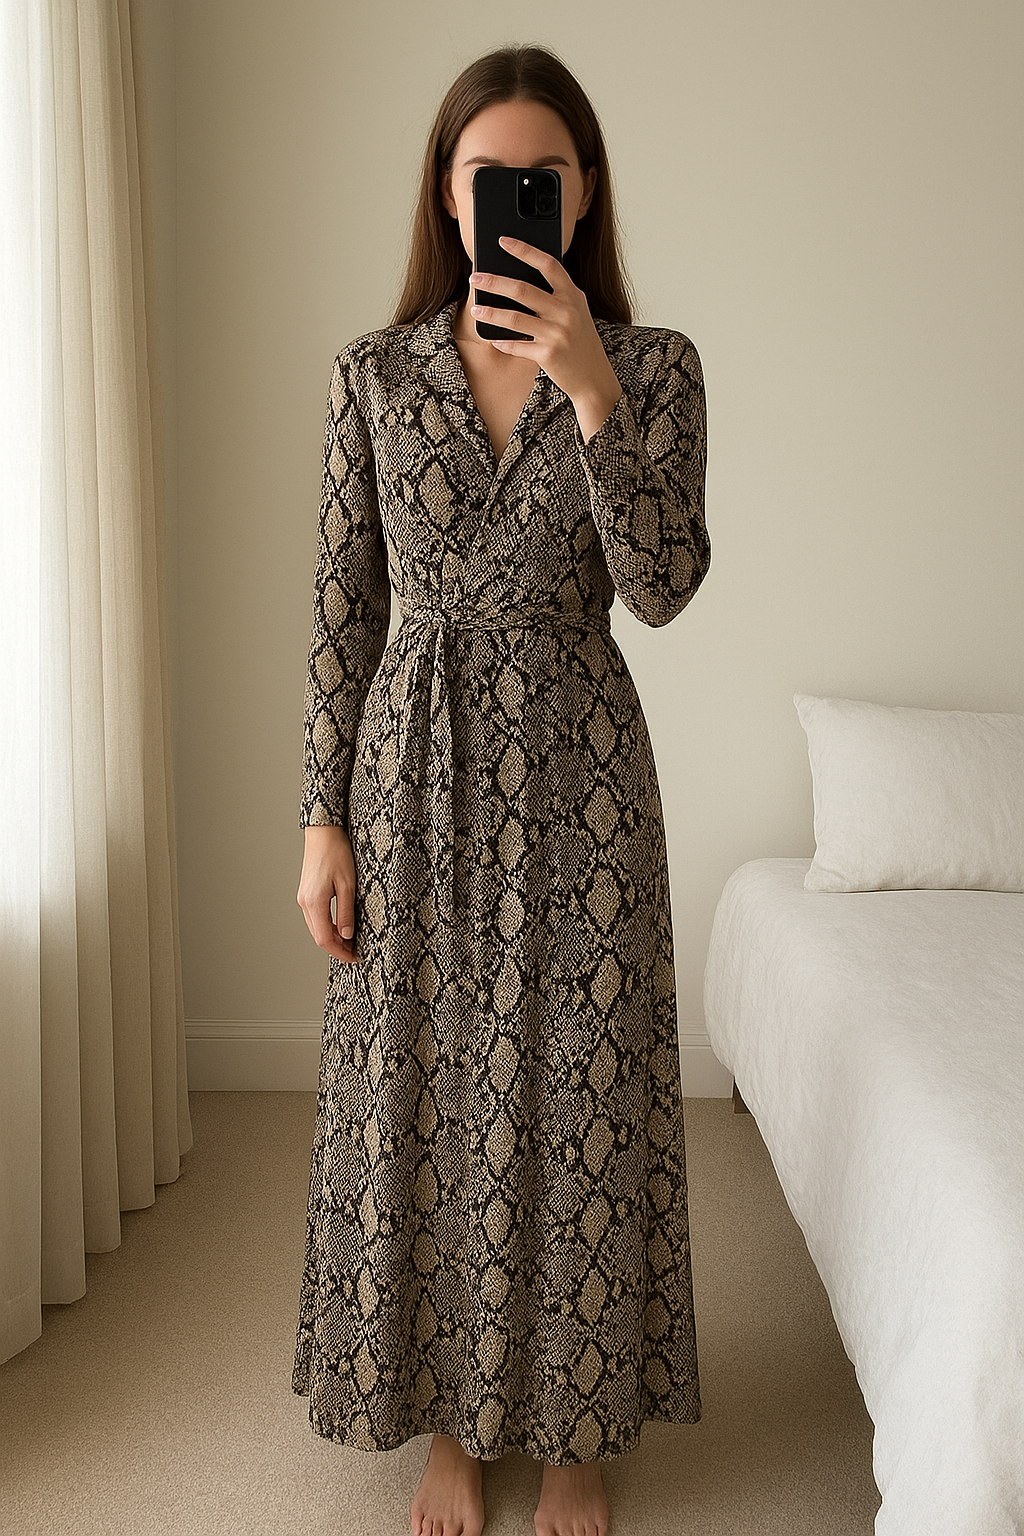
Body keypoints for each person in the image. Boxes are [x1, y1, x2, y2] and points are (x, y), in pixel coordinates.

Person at [292, 41, 710, 1536]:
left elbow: (661, 589)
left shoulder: (653, 369)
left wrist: (589, 386)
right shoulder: (375, 373)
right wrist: (319, 819)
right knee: (430, 1101)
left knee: (573, 1090)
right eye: (488, 178)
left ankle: (578, 1437)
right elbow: (345, 606)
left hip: (585, 784)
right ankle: (456, 1432)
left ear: (582, 193)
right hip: (410, 779)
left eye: (542, 174)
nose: (515, 199)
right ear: (452, 196)